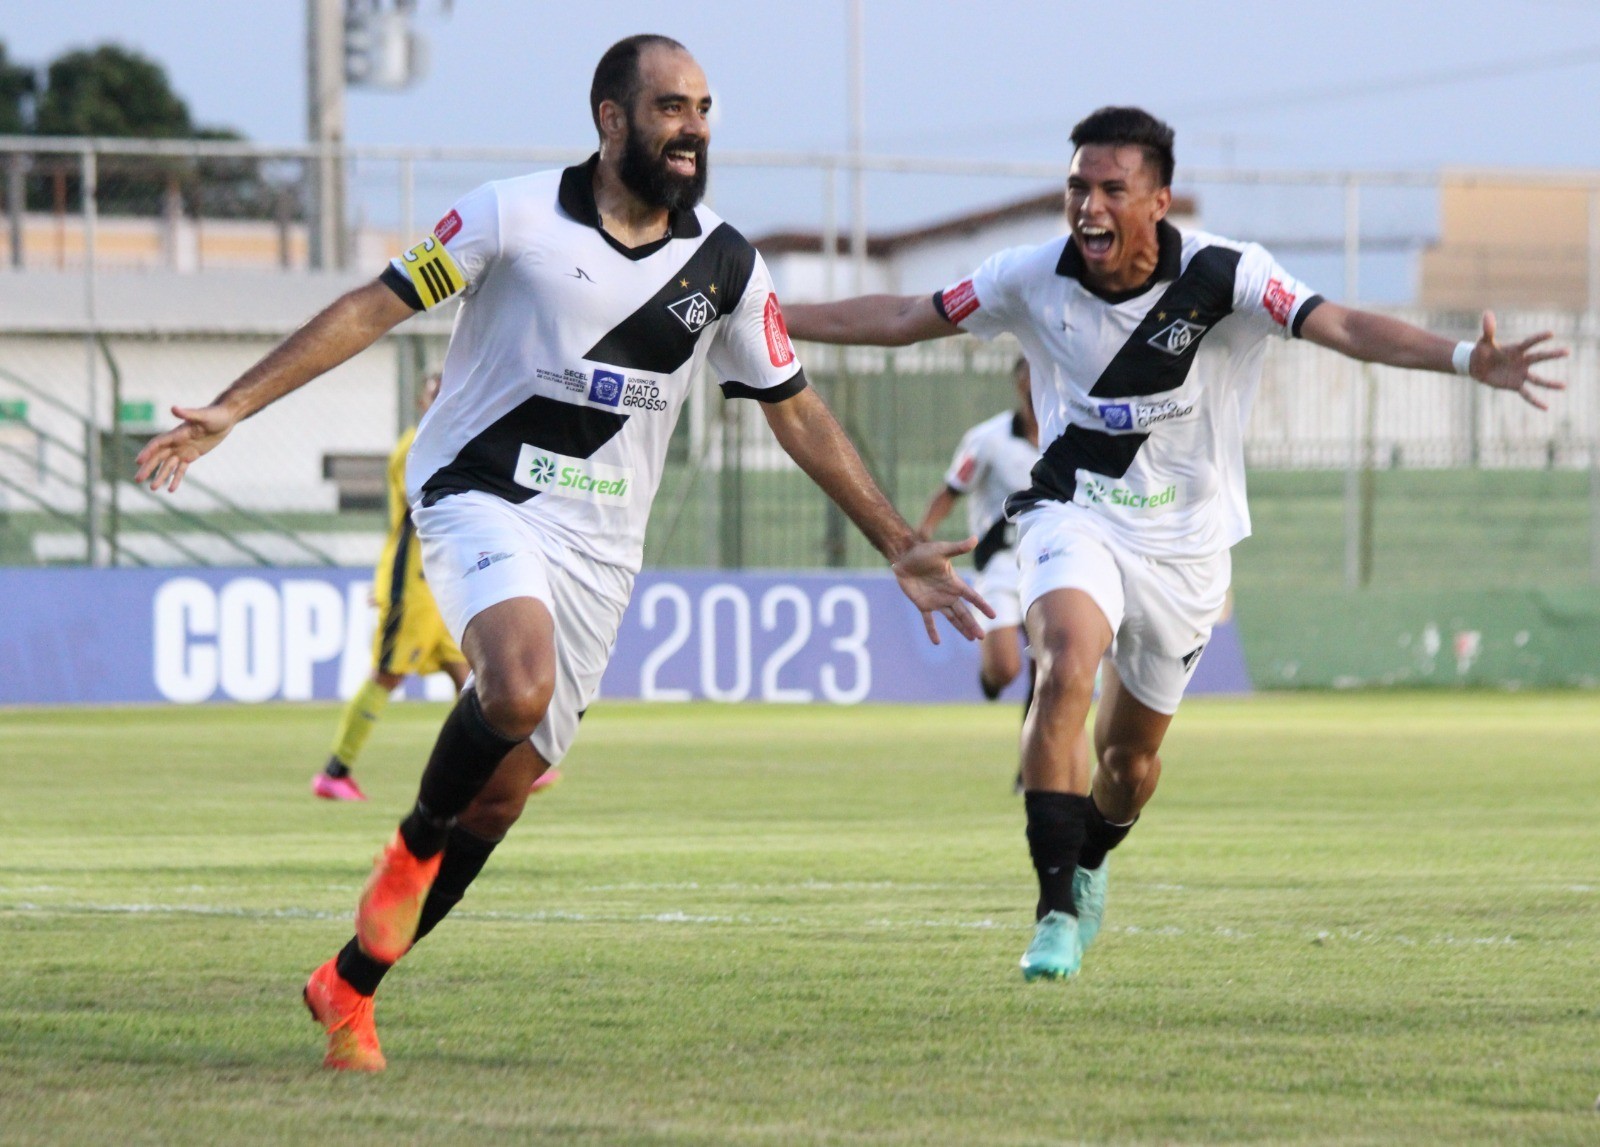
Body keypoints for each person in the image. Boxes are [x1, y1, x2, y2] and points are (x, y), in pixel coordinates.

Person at [136, 34, 989, 1072]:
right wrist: (234, 405)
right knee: (516, 684)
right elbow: (373, 305)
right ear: (611, 118)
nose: (694, 129)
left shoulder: (724, 263)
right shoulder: (511, 215)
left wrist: (896, 540)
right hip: (479, 492)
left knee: (501, 798)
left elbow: (794, 407)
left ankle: (348, 986)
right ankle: (406, 847)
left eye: (705, 108)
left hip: (600, 546)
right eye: (672, 107)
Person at [783, 106, 1565, 983]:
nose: (1088, 205)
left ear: (1158, 201)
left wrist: (1467, 358)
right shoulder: (1028, 276)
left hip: (1187, 548)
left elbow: (1341, 325)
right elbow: (902, 311)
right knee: (1066, 664)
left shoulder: (1229, 275)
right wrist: (767, 316)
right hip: (1072, 512)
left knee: (1130, 763)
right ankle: (1051, 911)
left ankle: (1091, 862)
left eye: (1112, 189)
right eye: (1077, 187)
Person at [313, 373, 470, 801]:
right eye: (436, 394)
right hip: (414, 582)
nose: (444, 400)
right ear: (423, 402)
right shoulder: (415, 447)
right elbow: (429, 505)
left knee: (470, 676)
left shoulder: (456, 441)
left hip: (443, 583)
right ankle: (334, 771)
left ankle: (501, 766)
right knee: (388, 673)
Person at [915, 354, 1039, 708]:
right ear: (1020, 383)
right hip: (1000, 564)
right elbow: (950, 491)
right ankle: (990, 679)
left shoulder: (1070, 435)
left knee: (1049, 670)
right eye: (1031, 375)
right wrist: (923, 535)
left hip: (1051, 559)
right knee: (1005, 668)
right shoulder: (988, 439)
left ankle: (1033, 763)